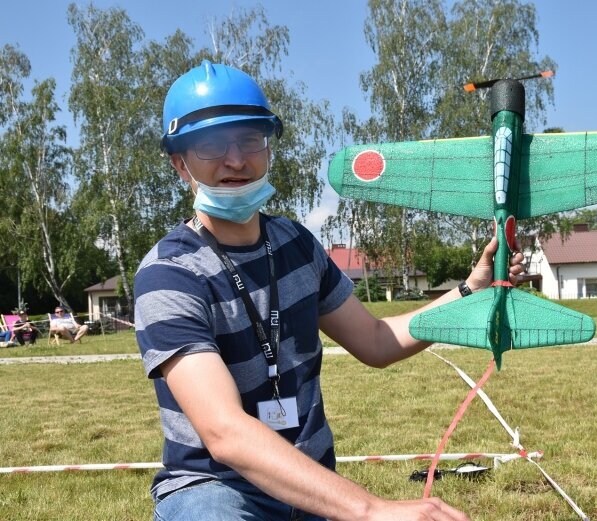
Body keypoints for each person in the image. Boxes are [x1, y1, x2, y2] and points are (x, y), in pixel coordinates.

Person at [135, 61, 524, 521]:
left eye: (249, 139)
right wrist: (369, 509)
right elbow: (225, 433)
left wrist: (470, 289)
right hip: (217, 492)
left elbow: (377, 341)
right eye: (210, 146)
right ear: (180, 164)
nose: (235, 160)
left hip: (309, 486)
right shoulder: (168, 274)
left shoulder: (297, 245)